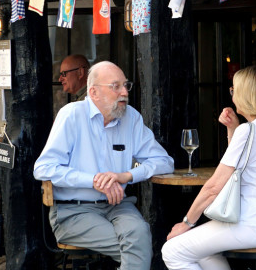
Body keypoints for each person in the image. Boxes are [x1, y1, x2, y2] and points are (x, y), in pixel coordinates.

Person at [34, 61, 174, 270]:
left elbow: (165, 162)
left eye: (126, 85)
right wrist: (94, 181)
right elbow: (44, 168)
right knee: (139, 247)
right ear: (94, 92)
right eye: (116, 86)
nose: (125, 92)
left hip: (119, 206)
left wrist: (126, 176)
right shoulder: (71, 115)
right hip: (73, 211)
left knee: (139, 234)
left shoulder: (132, 117)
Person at [162, 65, 256, 270]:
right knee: (202, 251)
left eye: (234, 90)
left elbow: (214, 187)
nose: (232, 95)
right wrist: (233, 130)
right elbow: (246, 165)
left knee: (172, 250)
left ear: (246, 96)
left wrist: (186, 223)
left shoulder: (250, 131)